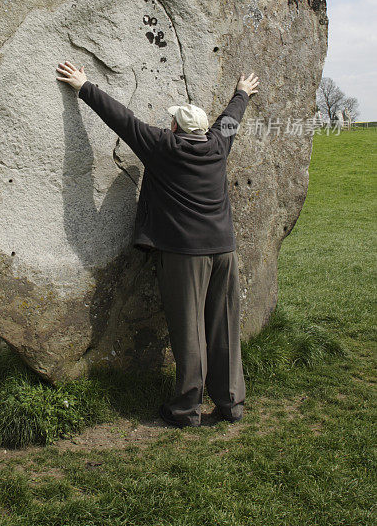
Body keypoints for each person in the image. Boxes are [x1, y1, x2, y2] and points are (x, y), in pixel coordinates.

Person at [56, 60, 259, 428]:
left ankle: (186, 409)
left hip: (185, 255)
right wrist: (242, 91)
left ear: (175, 127)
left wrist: (83, 85)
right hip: (224, 250)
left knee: (189, 329)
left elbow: (122, 119)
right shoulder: (217, 145)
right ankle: (231, 405)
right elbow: (231, 118)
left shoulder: (162, 146)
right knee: (224, 324)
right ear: (202, 130)